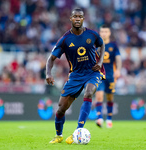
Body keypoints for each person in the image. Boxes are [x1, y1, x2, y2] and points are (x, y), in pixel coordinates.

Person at [46, 8, 105, 144]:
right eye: (75, 16)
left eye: (80, 16)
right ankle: (59, 135)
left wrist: (100, 62)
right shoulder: (65, 39)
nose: (77, 19)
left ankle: (78, 131)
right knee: (61, 109)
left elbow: (102, 45)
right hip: (75, 76)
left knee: (89, 93)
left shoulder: (92, 34)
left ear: (83, 19)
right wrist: (48, 73)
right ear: (71, 19)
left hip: (92, 72)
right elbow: (51, 59)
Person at [95, 25, 122, 128]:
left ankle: (109, 118)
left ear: (109, 33)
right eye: (102, 31)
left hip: (110, 76)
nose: (104, 33)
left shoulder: (113, 45)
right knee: (99, 96)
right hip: (99, 75)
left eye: (106, 31)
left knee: (110, 97)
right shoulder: (96, 45)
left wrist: (118, 70)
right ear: (100, 33)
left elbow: (118, 58)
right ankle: (100, 118)